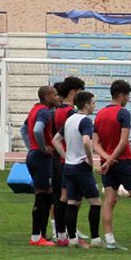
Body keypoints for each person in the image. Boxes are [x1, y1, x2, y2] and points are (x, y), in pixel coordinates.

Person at [93, 79, 131, 250]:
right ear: (121, 95)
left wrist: (106, 160)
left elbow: (95, 143)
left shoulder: (99, 114)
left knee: (109, 199)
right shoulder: (123, 113)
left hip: (107, 162)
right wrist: (113, 158)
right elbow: (123, 142)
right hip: (123, 161)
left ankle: (110, 240)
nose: (128, 99)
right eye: (127, 96)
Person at [51, 91, 102, 249]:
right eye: (93, 103)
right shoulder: (85, 121)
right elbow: (87, 141)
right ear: (86, 105)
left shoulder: (69, 120)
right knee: (96, 202)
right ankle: (95, 238)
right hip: (81, 166)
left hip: (69, 166)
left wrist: (66, 157)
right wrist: (89, 159)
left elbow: (55, 140)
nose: (94, 106)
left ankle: (72, 238)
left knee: (72, 202)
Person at [23, 85, 61, 247]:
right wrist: (42, 147)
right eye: (55, 95)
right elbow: (38, 130)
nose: (57, 97)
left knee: (47, 195)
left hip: (34, 156)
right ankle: (36, 237)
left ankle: (41, 235)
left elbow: (25, 129)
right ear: (46, 97)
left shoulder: (34, 109)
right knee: (41, 196)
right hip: (40, 157)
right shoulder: (44, 111)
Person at [49, 76, 86, 242]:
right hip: (70, 159)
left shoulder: (57, 110)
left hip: (59, 158)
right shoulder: (71, 113)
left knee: (60, 197)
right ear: (74, 92)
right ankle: (69, 231)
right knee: (73, 198)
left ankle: (61, 231)